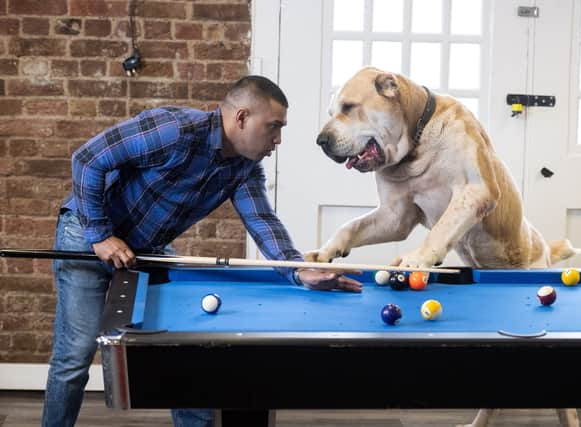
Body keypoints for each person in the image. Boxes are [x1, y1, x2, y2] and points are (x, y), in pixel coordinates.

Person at [43, 75, 363, 427]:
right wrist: (100, 234)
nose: (278, 140)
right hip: (87, 235)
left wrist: (299, 270)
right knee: (74, 357)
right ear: (241, 118)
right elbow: (88, 159)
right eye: (273, 127)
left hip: (146, 250)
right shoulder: (174, 130)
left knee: (183, 354)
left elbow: (261, 220)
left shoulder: (242, 167)